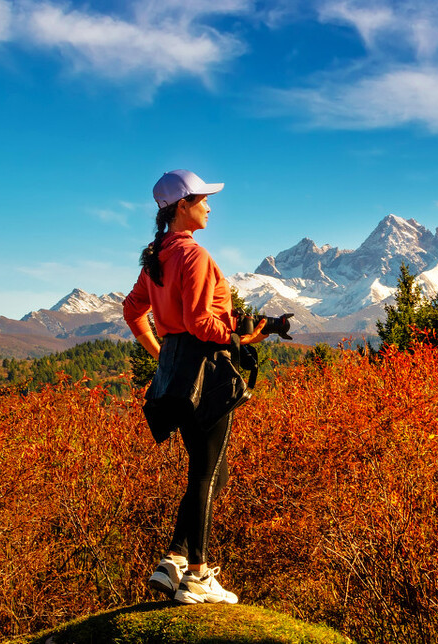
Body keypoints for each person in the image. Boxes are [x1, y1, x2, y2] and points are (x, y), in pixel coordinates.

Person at [123, 168, 268, 605]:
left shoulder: (157, 255)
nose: (209, 205)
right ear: (182, 206)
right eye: (203, 198)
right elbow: (200, 323)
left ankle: (174, 561)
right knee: (207, 472)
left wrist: (160, 353)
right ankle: (199, 576)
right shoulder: (194, 256)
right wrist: (242, 339)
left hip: (176, 375)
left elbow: (133, 311)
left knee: (211, 472)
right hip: (206, 371)